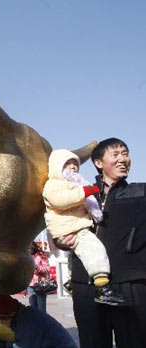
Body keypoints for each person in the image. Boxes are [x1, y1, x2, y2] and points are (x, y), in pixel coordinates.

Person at [55, 138, 146, 348]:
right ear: (98, 162)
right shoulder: (78, 194)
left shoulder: (140, 193)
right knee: (92, 342)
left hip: (129, 283)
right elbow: (59, 221)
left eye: (126, 153)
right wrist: (60, 241)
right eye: (115, 155)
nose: (123, 159)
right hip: (85, 285)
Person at [43, 149, 128, 306]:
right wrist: (85, 192)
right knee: (94, 249)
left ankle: (70, 281)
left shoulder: (77, 184)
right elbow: (60, 200)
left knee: (74, 256)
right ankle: (102, 286)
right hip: (70, 226)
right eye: (67, 164)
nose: (73, 167)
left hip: (72, 225)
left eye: (75, 164)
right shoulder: (54, 184)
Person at [0, 294, 76, 347]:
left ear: (11, 315)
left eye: (1, 320)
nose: (0, 323)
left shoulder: (26, 326)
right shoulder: (24, 315)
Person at [27, 243, 50, 311]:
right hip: (30, 285)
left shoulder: (42, 256)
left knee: (41, 308)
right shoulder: (28, 257)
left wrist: (37, 267)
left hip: (40, 285)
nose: (28, 250)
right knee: (33, 308)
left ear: (33, 248)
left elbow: (46, 270)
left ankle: (43, 321)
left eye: (29, 249)